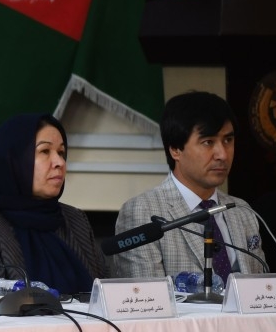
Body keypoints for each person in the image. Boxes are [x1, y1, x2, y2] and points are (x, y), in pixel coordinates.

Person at [0, 113, 108, 295]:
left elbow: (105, 296)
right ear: (14, 160)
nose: (59, 162)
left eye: (61, 153)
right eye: (45, 151)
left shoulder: (75, 219)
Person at [113, 91, 266, 280]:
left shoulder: (242, 211)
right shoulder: (142, 212)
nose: (222, 155)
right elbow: (148, 302)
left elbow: (260, 290)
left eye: (228, 140)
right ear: (175, 149)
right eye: (208, 142)